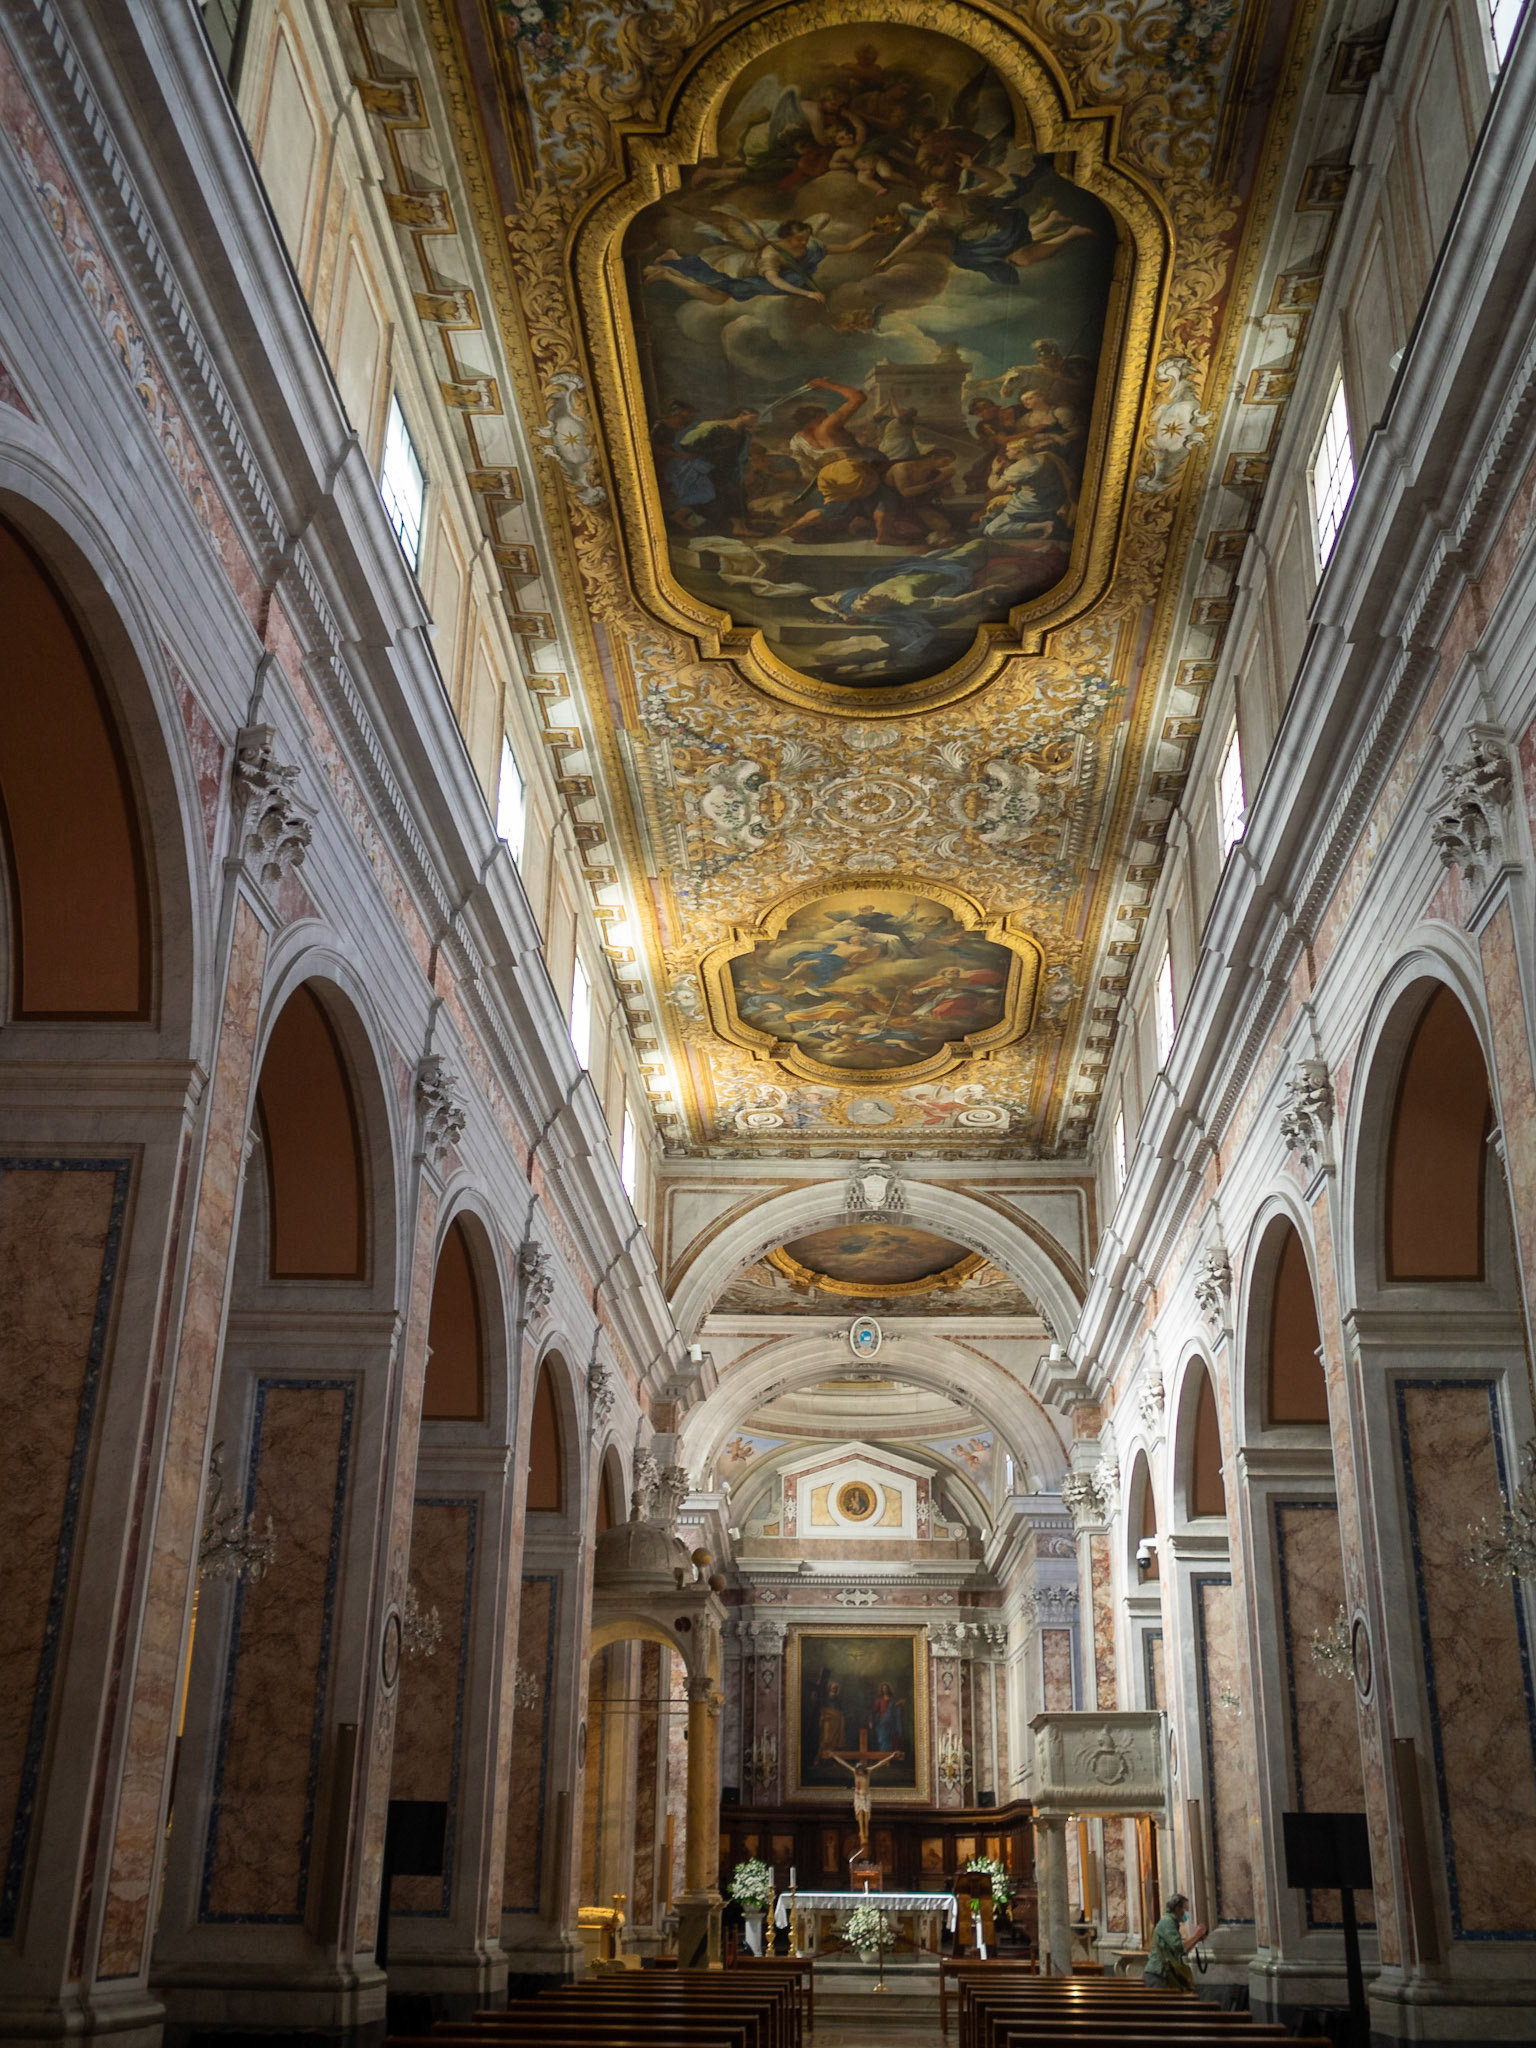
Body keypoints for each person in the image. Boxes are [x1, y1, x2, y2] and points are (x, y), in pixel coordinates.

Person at [1144, 1892, 1207, 1989]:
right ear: (1177, 1908)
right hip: (1158, 1975)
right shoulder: (1167, 1922)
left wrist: (1197, 1939)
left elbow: (1182, 1951)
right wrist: (1196, 1935)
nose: (1186, 1913)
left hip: (1164, 1974)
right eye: (1185, 1909)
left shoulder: (1171, 1922)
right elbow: (1179, 1947)